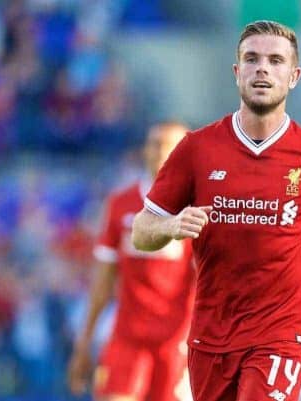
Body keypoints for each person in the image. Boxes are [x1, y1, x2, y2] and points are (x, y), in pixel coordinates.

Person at [131, 20, 301, 400]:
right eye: (251, 59)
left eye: (275, 60)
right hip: (210, 340)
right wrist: (170, 224)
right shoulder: (196, 150)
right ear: (237, 73)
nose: (262, 68)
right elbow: (141, 231)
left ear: (294, 76)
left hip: (280, 339)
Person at [68, 122, 195, 401]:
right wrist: (84, 341)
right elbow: (103, 281)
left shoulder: (195, 209)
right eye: (154, 144)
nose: (160, 152)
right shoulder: (121, 204)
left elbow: (211, 285)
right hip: (128, 339)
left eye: (169, 145)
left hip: (175, 345)